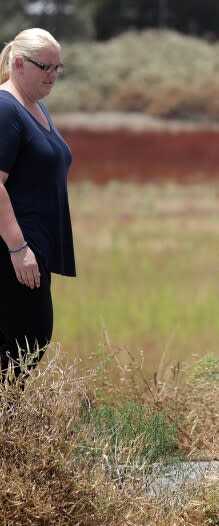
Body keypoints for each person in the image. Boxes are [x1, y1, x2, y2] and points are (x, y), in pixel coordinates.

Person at [0, 28, 74, 381]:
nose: (52, 75)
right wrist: (18, 247)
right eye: (45, 66)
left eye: (57, 68)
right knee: (25, 342)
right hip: (14, 250)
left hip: (35, 246)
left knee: (27, 342)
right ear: (18, 63)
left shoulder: (34, 105)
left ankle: (10, 428)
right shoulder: (5, 108)